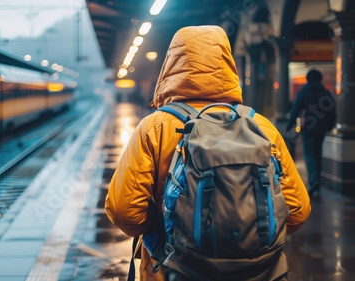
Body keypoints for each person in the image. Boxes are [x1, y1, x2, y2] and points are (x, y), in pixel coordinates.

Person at [105, 25, 311, 281]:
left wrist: (170, 231)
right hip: (255, 274)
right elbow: (297, 211)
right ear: (227, 62)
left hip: (172, 271)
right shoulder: (261, 127)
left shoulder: (154, 128)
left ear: (170, 65)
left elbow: (124, 211)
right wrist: (245, 239)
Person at [286, 69, 336, 197]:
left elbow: (295, 110)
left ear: (308, 79)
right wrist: (330, 126)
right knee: (318, 153)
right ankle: (317, 183)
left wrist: (288, 126)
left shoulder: (303, 92)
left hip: (308, 127)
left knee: (308, 154)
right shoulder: (325, 93)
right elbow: (331, 111)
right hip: (322, 127)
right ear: (320, 79)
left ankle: (313, 182)